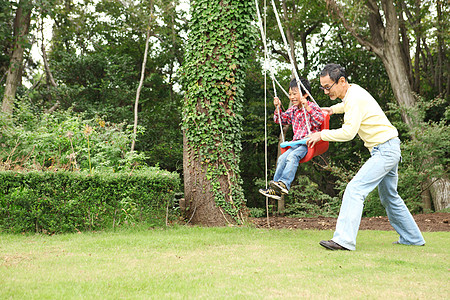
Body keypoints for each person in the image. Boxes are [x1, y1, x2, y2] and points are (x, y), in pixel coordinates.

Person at [307, 63, 425, 251]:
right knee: (389, 197)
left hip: (385, 150)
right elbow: (345, 105)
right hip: (389, 147)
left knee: (355, 189)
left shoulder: (354, 99)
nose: (325, 91)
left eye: (328, 87)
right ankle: (413, 238)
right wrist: (331, 109)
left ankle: (343, 240)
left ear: (342, 81)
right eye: (323, 87)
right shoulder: (353, 92)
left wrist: (321, 135)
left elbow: (348, 133)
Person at [259, 78, 324, 200]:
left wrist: (308, 108)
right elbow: (280, 120)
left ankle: (284, 183)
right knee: (282, 158)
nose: (292, 97)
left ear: (305, 94)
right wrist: (278, 108)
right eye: (290, 94)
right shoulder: (294, 110)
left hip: (308, 143)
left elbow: (319, 121)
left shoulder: (312, 106)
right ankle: (275, 188)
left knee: (292, 157)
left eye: (295, 94)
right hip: (296, 143)